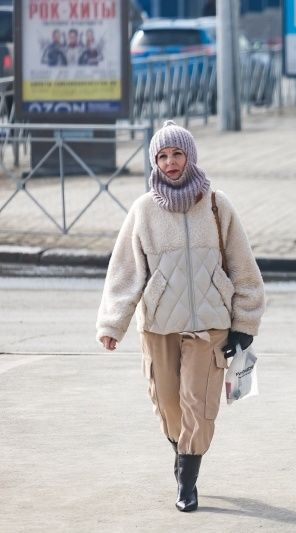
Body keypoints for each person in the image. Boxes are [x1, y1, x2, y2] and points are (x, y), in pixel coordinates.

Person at [96, 121, 265, 512]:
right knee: (168, 403)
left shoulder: (217, 204)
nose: (170, 163)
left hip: (210, 325)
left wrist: (245, 323)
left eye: (177, 154)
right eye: (162, 156)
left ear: (190, 156)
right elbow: (124, 272)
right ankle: (180, 450)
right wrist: (112, 324)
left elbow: (243, 267)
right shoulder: (143, 210)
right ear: (154, 161)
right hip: (158, 325)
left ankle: (188, 478)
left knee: (199, 403)